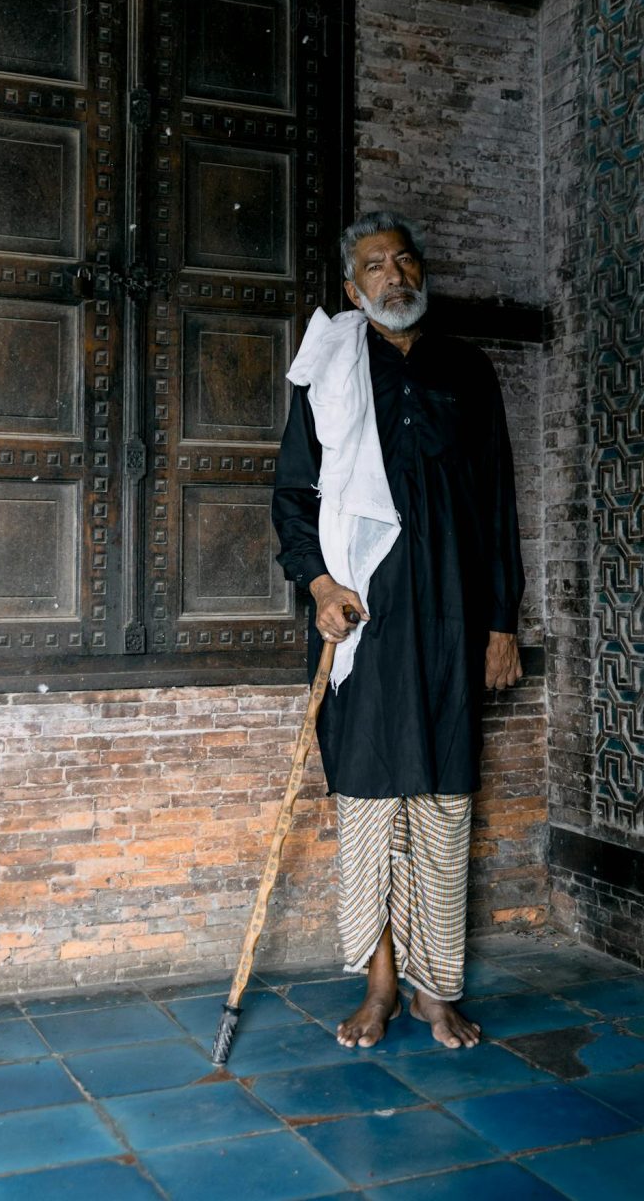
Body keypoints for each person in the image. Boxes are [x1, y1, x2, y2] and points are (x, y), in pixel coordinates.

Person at [272, 210, 524, 1049]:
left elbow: (496, 503)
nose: (394, 274)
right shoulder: (330, 372)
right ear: (352, 289)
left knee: (444, 802)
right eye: (375, 265)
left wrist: (499, 622)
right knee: (372, 801)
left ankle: (433, 988)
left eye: (405, 259)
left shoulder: (466, 368)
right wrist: (316, 583)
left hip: (454, 619)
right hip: (363, 621)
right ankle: (379, 985)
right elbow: (292, 497)